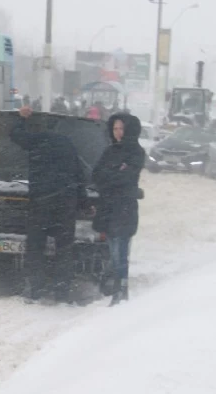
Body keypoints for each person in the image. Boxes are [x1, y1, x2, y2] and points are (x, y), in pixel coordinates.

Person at [11, 105, 89, 303]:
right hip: (65, 205)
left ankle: (35, 288)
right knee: (64, 248)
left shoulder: (37, 142)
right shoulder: (69, 145)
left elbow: (15, 135)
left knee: (36, 247)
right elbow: (80, 176)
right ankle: (61, 290)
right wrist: (85, 204)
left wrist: (21, 118)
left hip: (41, 204)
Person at [92, 112, 145, 306]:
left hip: (124, 207)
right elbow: (96, 174)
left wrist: (110, 176)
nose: (118, 132)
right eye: (114, 128)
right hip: (108, 206)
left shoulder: (136, 152)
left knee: (120, 251)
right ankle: (114, 285)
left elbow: (127, 178)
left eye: (121, 128)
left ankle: (121, 289)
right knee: (111, 248)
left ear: (129, 129)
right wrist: (114, 173)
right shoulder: (109, 151)